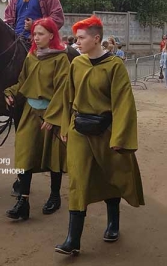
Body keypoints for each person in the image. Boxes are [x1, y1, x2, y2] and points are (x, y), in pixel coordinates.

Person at [55, 16, 144, 256]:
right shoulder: (77, 64)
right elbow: (67, 98)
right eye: (76, 38)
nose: (77, 42)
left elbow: (124, 103)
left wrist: (119, 137)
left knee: (110, 176)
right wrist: (64, 127)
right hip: (79, 132)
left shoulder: (115, 66)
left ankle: (113, 223)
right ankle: (73, 239)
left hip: (106, 132)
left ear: (96, 39)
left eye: (82, 38)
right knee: (77, 180)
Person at [3, 18, 70, 220]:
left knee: (53, 157)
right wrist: (11, 92)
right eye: (34, 34)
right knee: (24, 154)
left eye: (40, 33)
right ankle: (23, 201)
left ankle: (55, 196)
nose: (36, 37)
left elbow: (63, 90)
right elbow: (24, 81)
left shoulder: (61, 59)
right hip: (30, 113)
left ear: (51, 35)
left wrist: (53, 116)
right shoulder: (31, 56)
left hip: (51, 115)